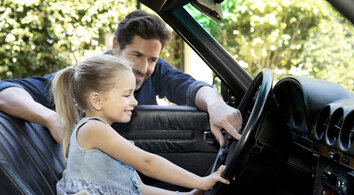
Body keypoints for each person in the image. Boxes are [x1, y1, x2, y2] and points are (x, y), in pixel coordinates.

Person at [0, 9, 242, 147]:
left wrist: (217, 105)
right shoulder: (88, 76)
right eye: (136, 55)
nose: (144, 68)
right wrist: (51, 119)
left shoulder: (156, 71)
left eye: (152, 59)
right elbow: (7, 90)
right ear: (116, 46)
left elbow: (192, 87)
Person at [47, 54, 229, 195]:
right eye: (127, 95)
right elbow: (147, 162)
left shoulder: (105, 134)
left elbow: (139, 191)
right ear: (97, 100)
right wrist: (201, 181)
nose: (134, 101)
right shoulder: (92, 129)